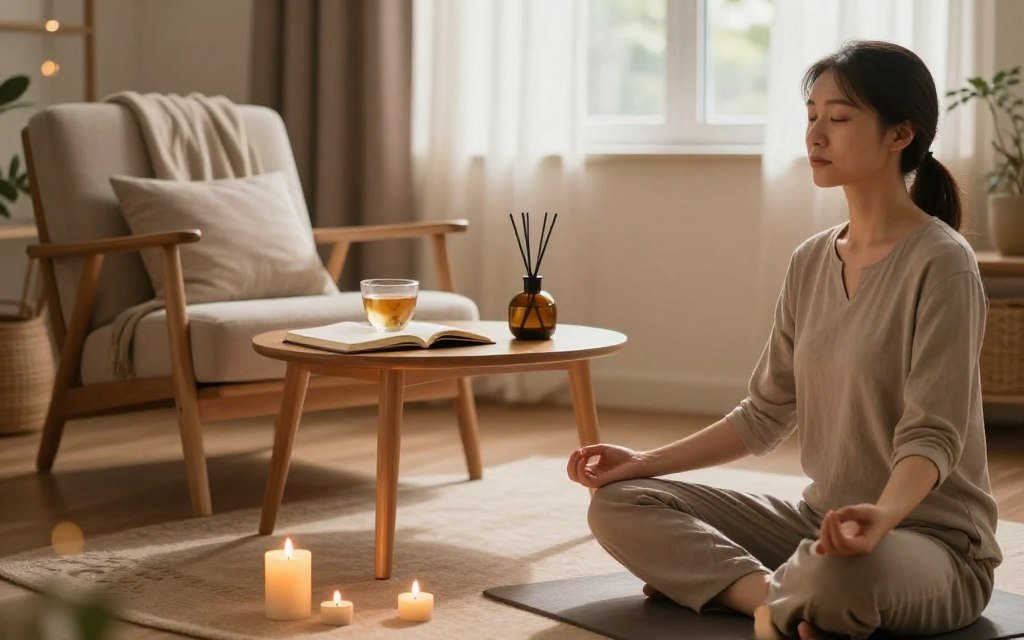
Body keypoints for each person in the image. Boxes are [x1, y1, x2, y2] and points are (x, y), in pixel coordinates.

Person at [569, 40, 1001, 640]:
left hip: (930, 543)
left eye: (840, 118)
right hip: (817, 527)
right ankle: (772, 600)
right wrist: (642, 463)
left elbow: (933, 433)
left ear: (900, 133)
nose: (816, 135)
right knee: (620, 503)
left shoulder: (943, 264)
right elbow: (765, 414)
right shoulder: (810, 260)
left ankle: (756, 587)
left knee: (840, 578)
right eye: (811, 116)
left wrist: (880, 518)